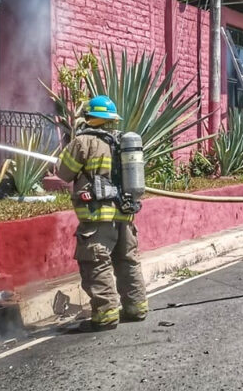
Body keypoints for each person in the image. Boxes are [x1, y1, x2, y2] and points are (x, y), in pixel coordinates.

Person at [54, 95, 148, 332]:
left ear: (89, 117)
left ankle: (105, 315)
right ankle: (136, 308)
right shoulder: (121, 142)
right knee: (128, 261)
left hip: (98, 219)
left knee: (97, 264)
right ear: (111, 120)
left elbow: (64, 173)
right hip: (125, 215)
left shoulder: (83, 142)